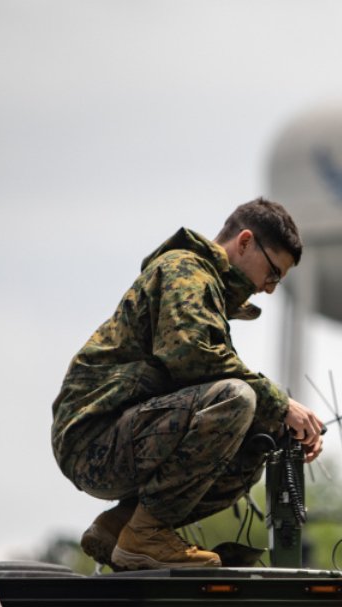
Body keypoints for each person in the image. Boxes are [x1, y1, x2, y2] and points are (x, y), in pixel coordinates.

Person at [50, 198, 324, 570]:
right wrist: (281, 404)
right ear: (244, 242)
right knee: (236, 400)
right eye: (272, 272)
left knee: (260, 435)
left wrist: (278, 421)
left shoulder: (205, 286)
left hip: (122, 434)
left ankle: (122, 526)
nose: (270, 288)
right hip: (93, 437)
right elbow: (192, 356)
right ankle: (145, 536)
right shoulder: (185, 270)